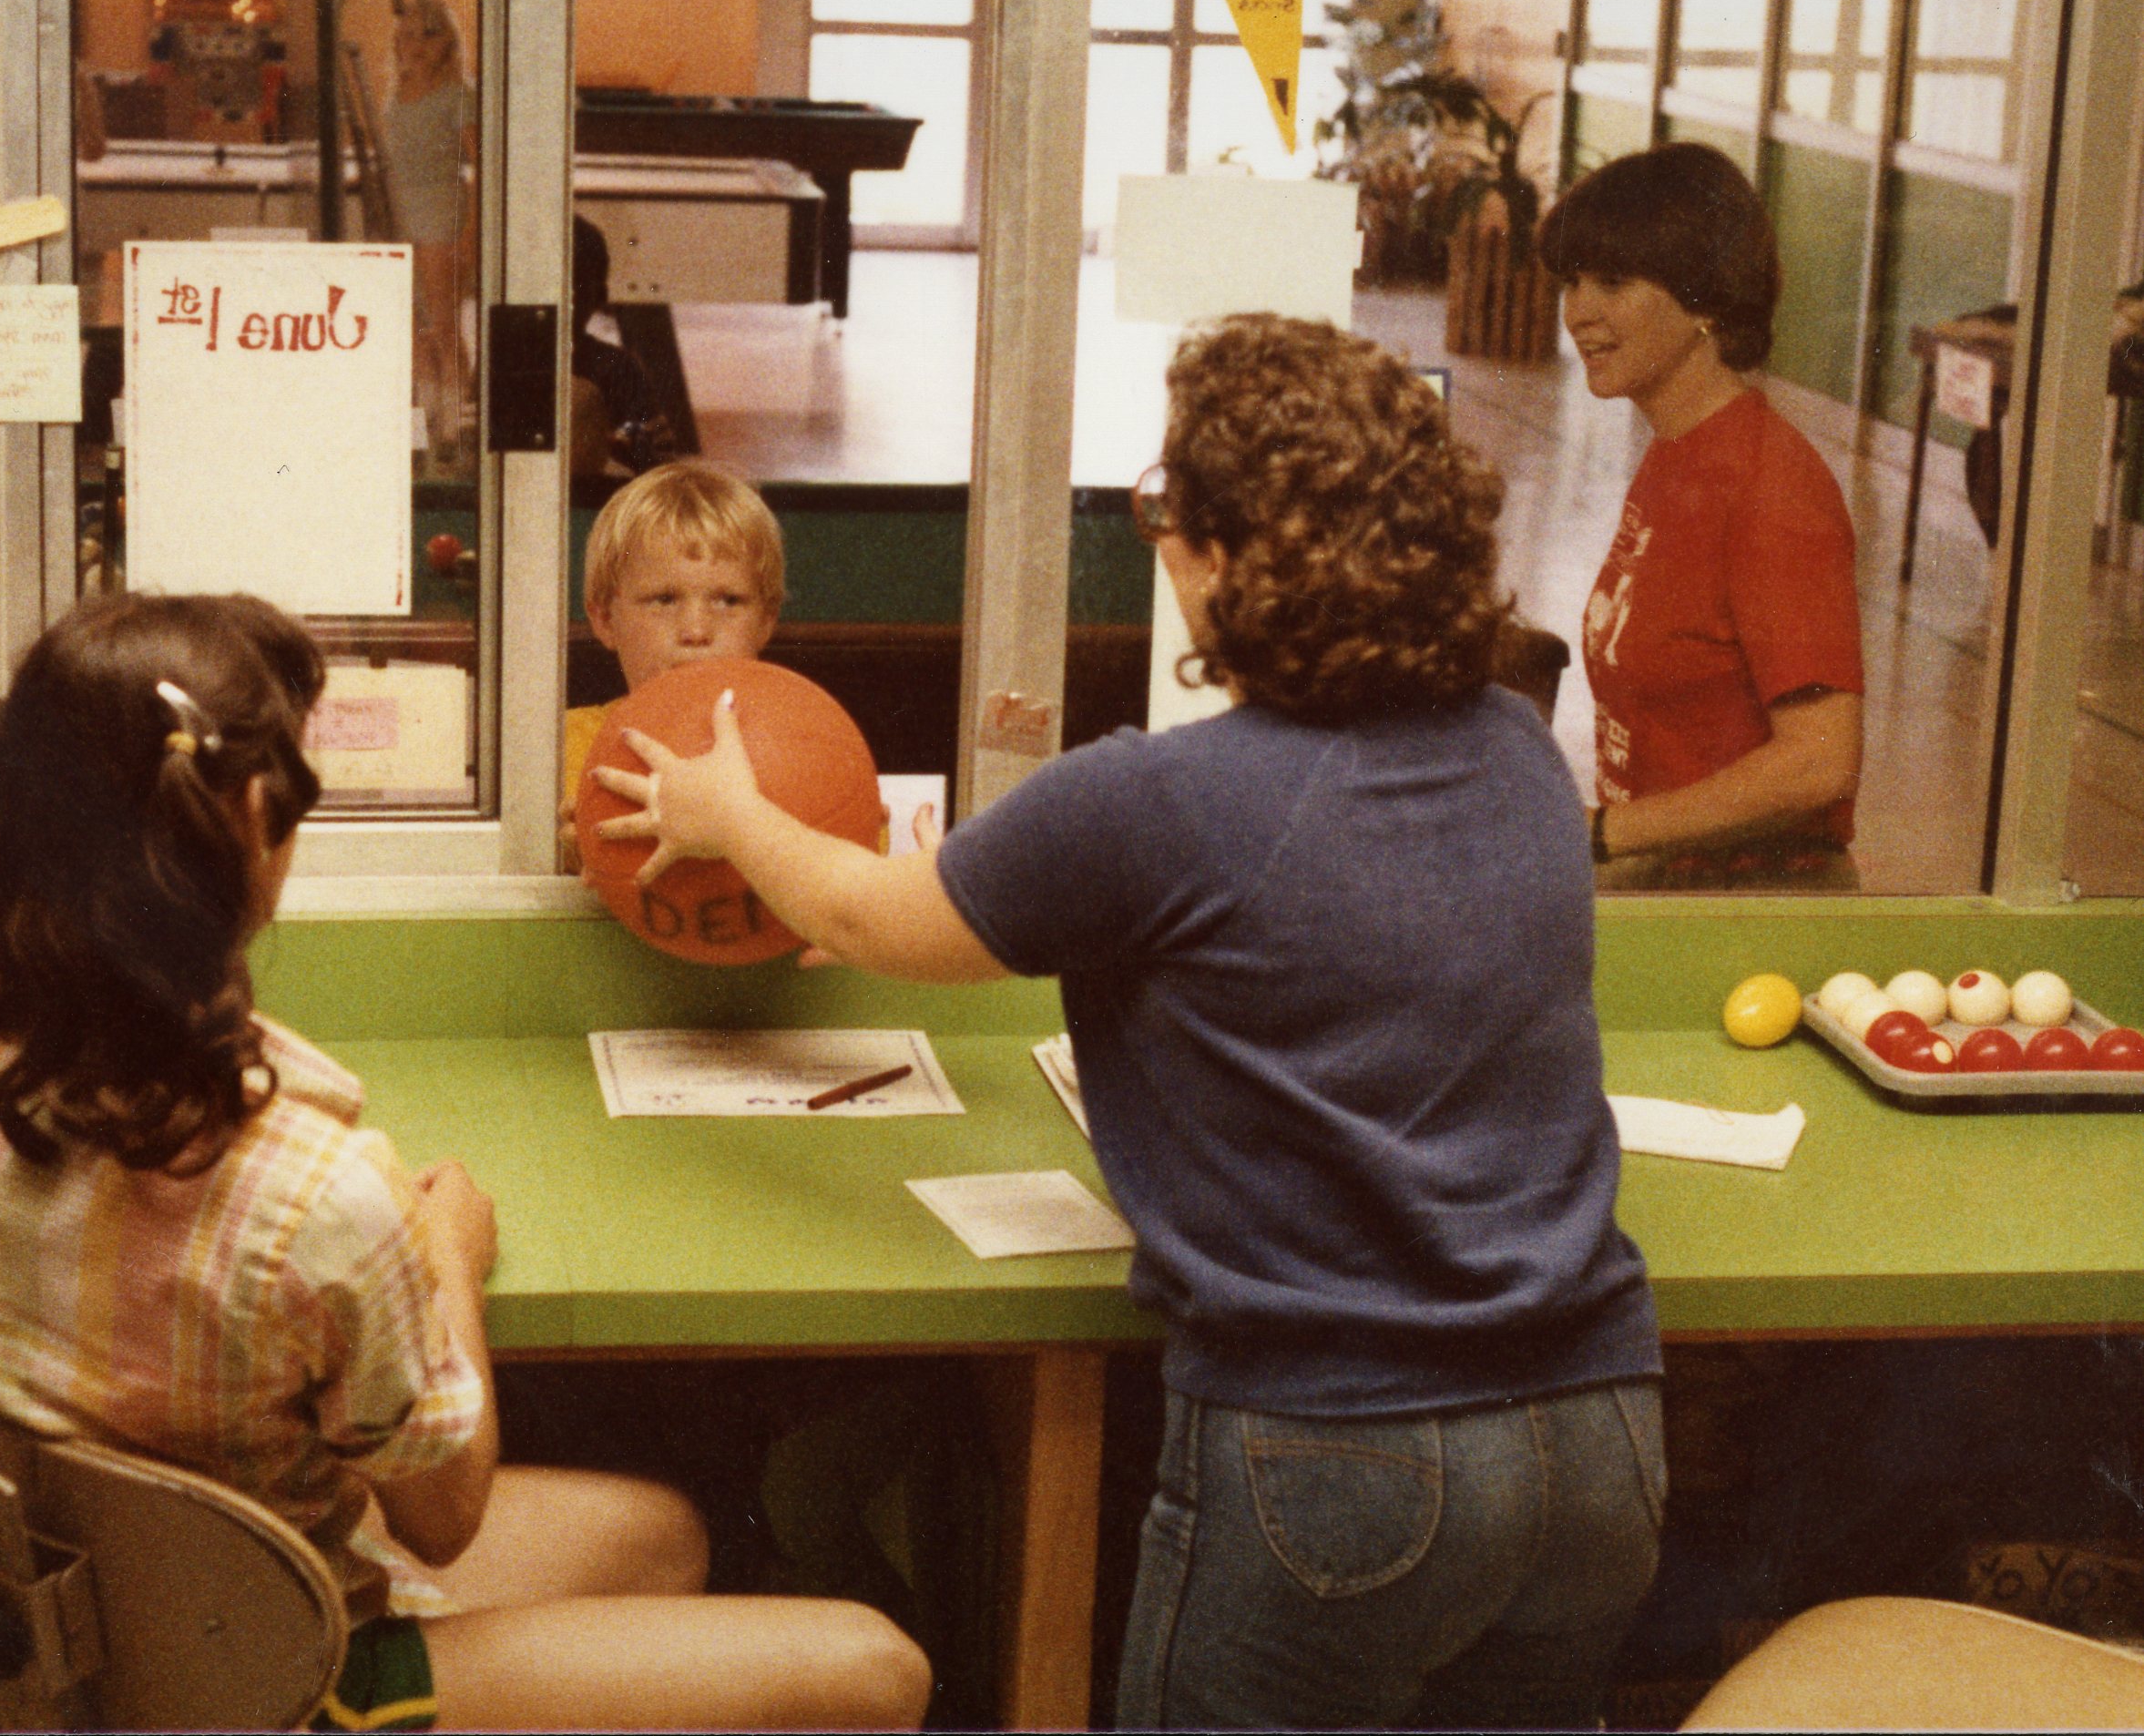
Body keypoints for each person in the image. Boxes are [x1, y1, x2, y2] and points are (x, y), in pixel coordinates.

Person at [595, 315, 1667, 1730]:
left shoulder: (1155, 805)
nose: (1158, 543)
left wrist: (727, 813)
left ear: (1226, 557)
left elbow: (866, 919)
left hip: (1341, 1456)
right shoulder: (1518, 755)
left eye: (1165, 511)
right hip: (1599, 1436)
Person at [0, 591, 929, 1732]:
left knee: (662, 1536)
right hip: (296, 1689)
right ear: (258, 821)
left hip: (86, 1646)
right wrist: (445, 1253)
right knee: (876, 1669)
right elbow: (444, 1517)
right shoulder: (315, 1194)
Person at [1539, 142, 1864, 889]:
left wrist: (1601, 832)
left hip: (1751, 902)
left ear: (1704, 299)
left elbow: (1819, 763)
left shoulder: (1768, 483)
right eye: (1572, 281)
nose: (1578, 311)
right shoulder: (1678, 451)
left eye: (1613, 282)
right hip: (1665, 877)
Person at [559, 461, 784, 864]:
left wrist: (836, 841)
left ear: (766, 621)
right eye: (664, 600)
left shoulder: (803, 747)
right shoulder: (558, 754)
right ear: (605, 620)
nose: (696, 631)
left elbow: (855, 883)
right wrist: (557, 865)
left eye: (728, 600)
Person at [383, 0, 475, 454]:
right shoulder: (396, 93)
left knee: (442, 326)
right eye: (409, 33)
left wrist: (471, 236)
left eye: (427, 35)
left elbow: (484, 166)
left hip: (441, 213)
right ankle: (426, 421)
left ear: (446, 43)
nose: (415, 44)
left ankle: (457, 422)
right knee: (412, 329)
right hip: (401, 216)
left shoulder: (457, 96)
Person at [571, 216, 681, 477]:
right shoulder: (503, 361)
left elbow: (656, 456)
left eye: (576, 288)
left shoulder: (616, 367)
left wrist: (621, 441)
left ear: (601, 297)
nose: (565, 302)